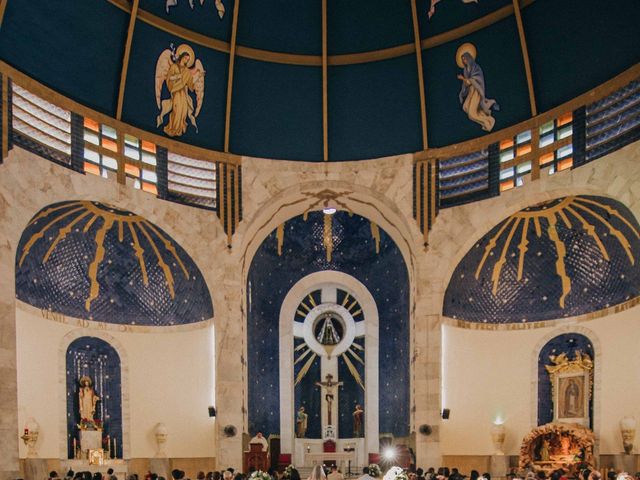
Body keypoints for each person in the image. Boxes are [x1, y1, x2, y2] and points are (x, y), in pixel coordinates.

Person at [456, 44, 499, 132]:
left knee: (471, 114)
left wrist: (463, 79)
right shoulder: (465, 70)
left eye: (465, 58)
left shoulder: (476, 68)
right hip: (471, 91)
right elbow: (467, 84)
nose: (464, 61)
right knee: (465, 107)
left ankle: (489, 122)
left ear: (468, 57)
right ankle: (486, 115)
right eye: (462, 59)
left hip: (477, 91)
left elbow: (474, 80)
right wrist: (462, 92)